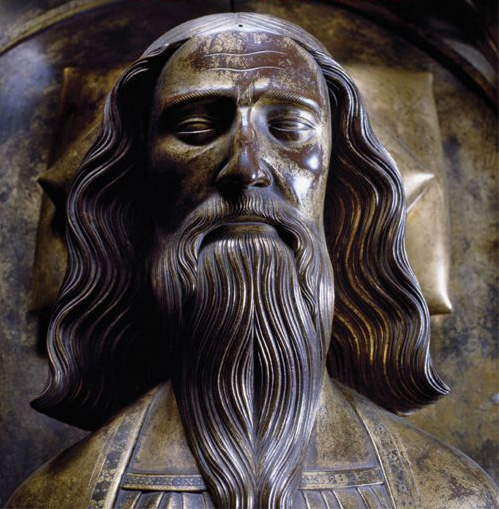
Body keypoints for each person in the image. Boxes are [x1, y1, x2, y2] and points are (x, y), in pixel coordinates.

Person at [8, 13, 497, 509]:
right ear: (136, 190)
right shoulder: (60, 498)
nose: (245, 167)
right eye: (196, 128)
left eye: (289, 127)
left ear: (342, 186)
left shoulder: (444, 493)